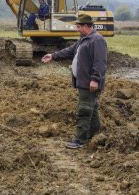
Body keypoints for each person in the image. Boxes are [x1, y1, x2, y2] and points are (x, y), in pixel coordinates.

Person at [41, 14, 107, 149]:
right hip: (83, 82)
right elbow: (71, 51)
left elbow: (99, 63)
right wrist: (53, 56)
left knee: (84, 109)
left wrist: (95, 79)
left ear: (87, 26)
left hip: (89, 82)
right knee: (91, 108)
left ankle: (80, 140)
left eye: (79, 27)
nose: (77, 29)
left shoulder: (97, 40)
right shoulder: (84, 39)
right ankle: (94, 133)